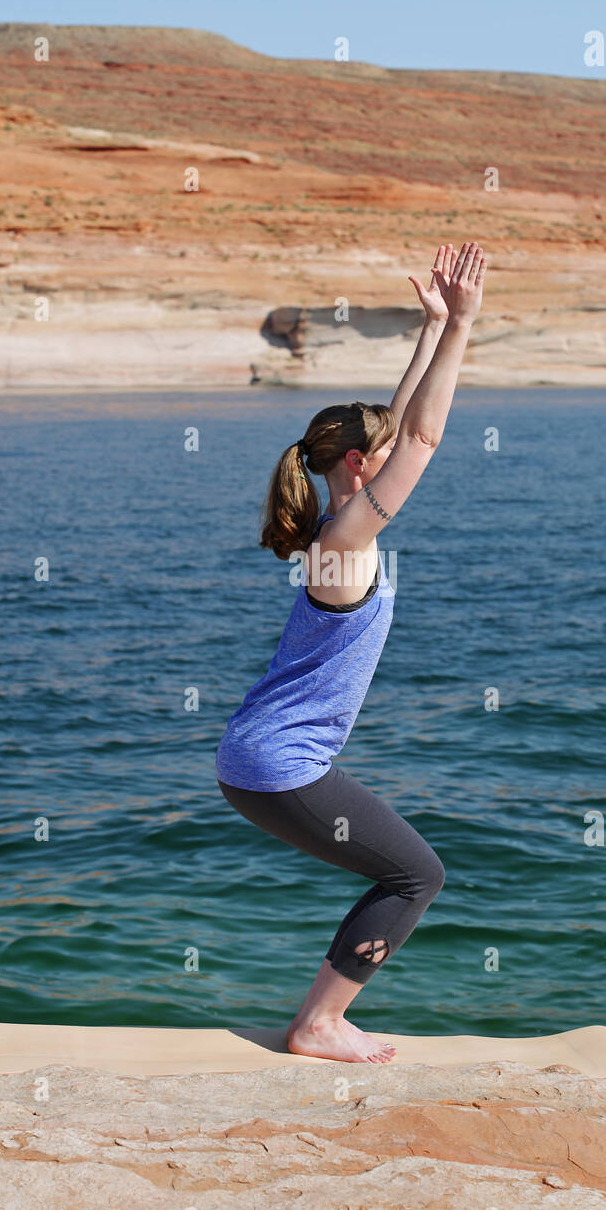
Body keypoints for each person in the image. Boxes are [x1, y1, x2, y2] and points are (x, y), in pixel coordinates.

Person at [216, 242, 487, 1062]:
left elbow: (399, 430)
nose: (394, 453)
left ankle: (321, 1018)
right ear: (360, 469)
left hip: (262, 758)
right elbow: (426, 439)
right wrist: (468, 325)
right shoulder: (346, 538)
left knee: (408, 872)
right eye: (381, 454)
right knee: (417, 876)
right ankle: (318, 1024)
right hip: (279, 765)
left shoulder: (338, 528)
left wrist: (431, 329)